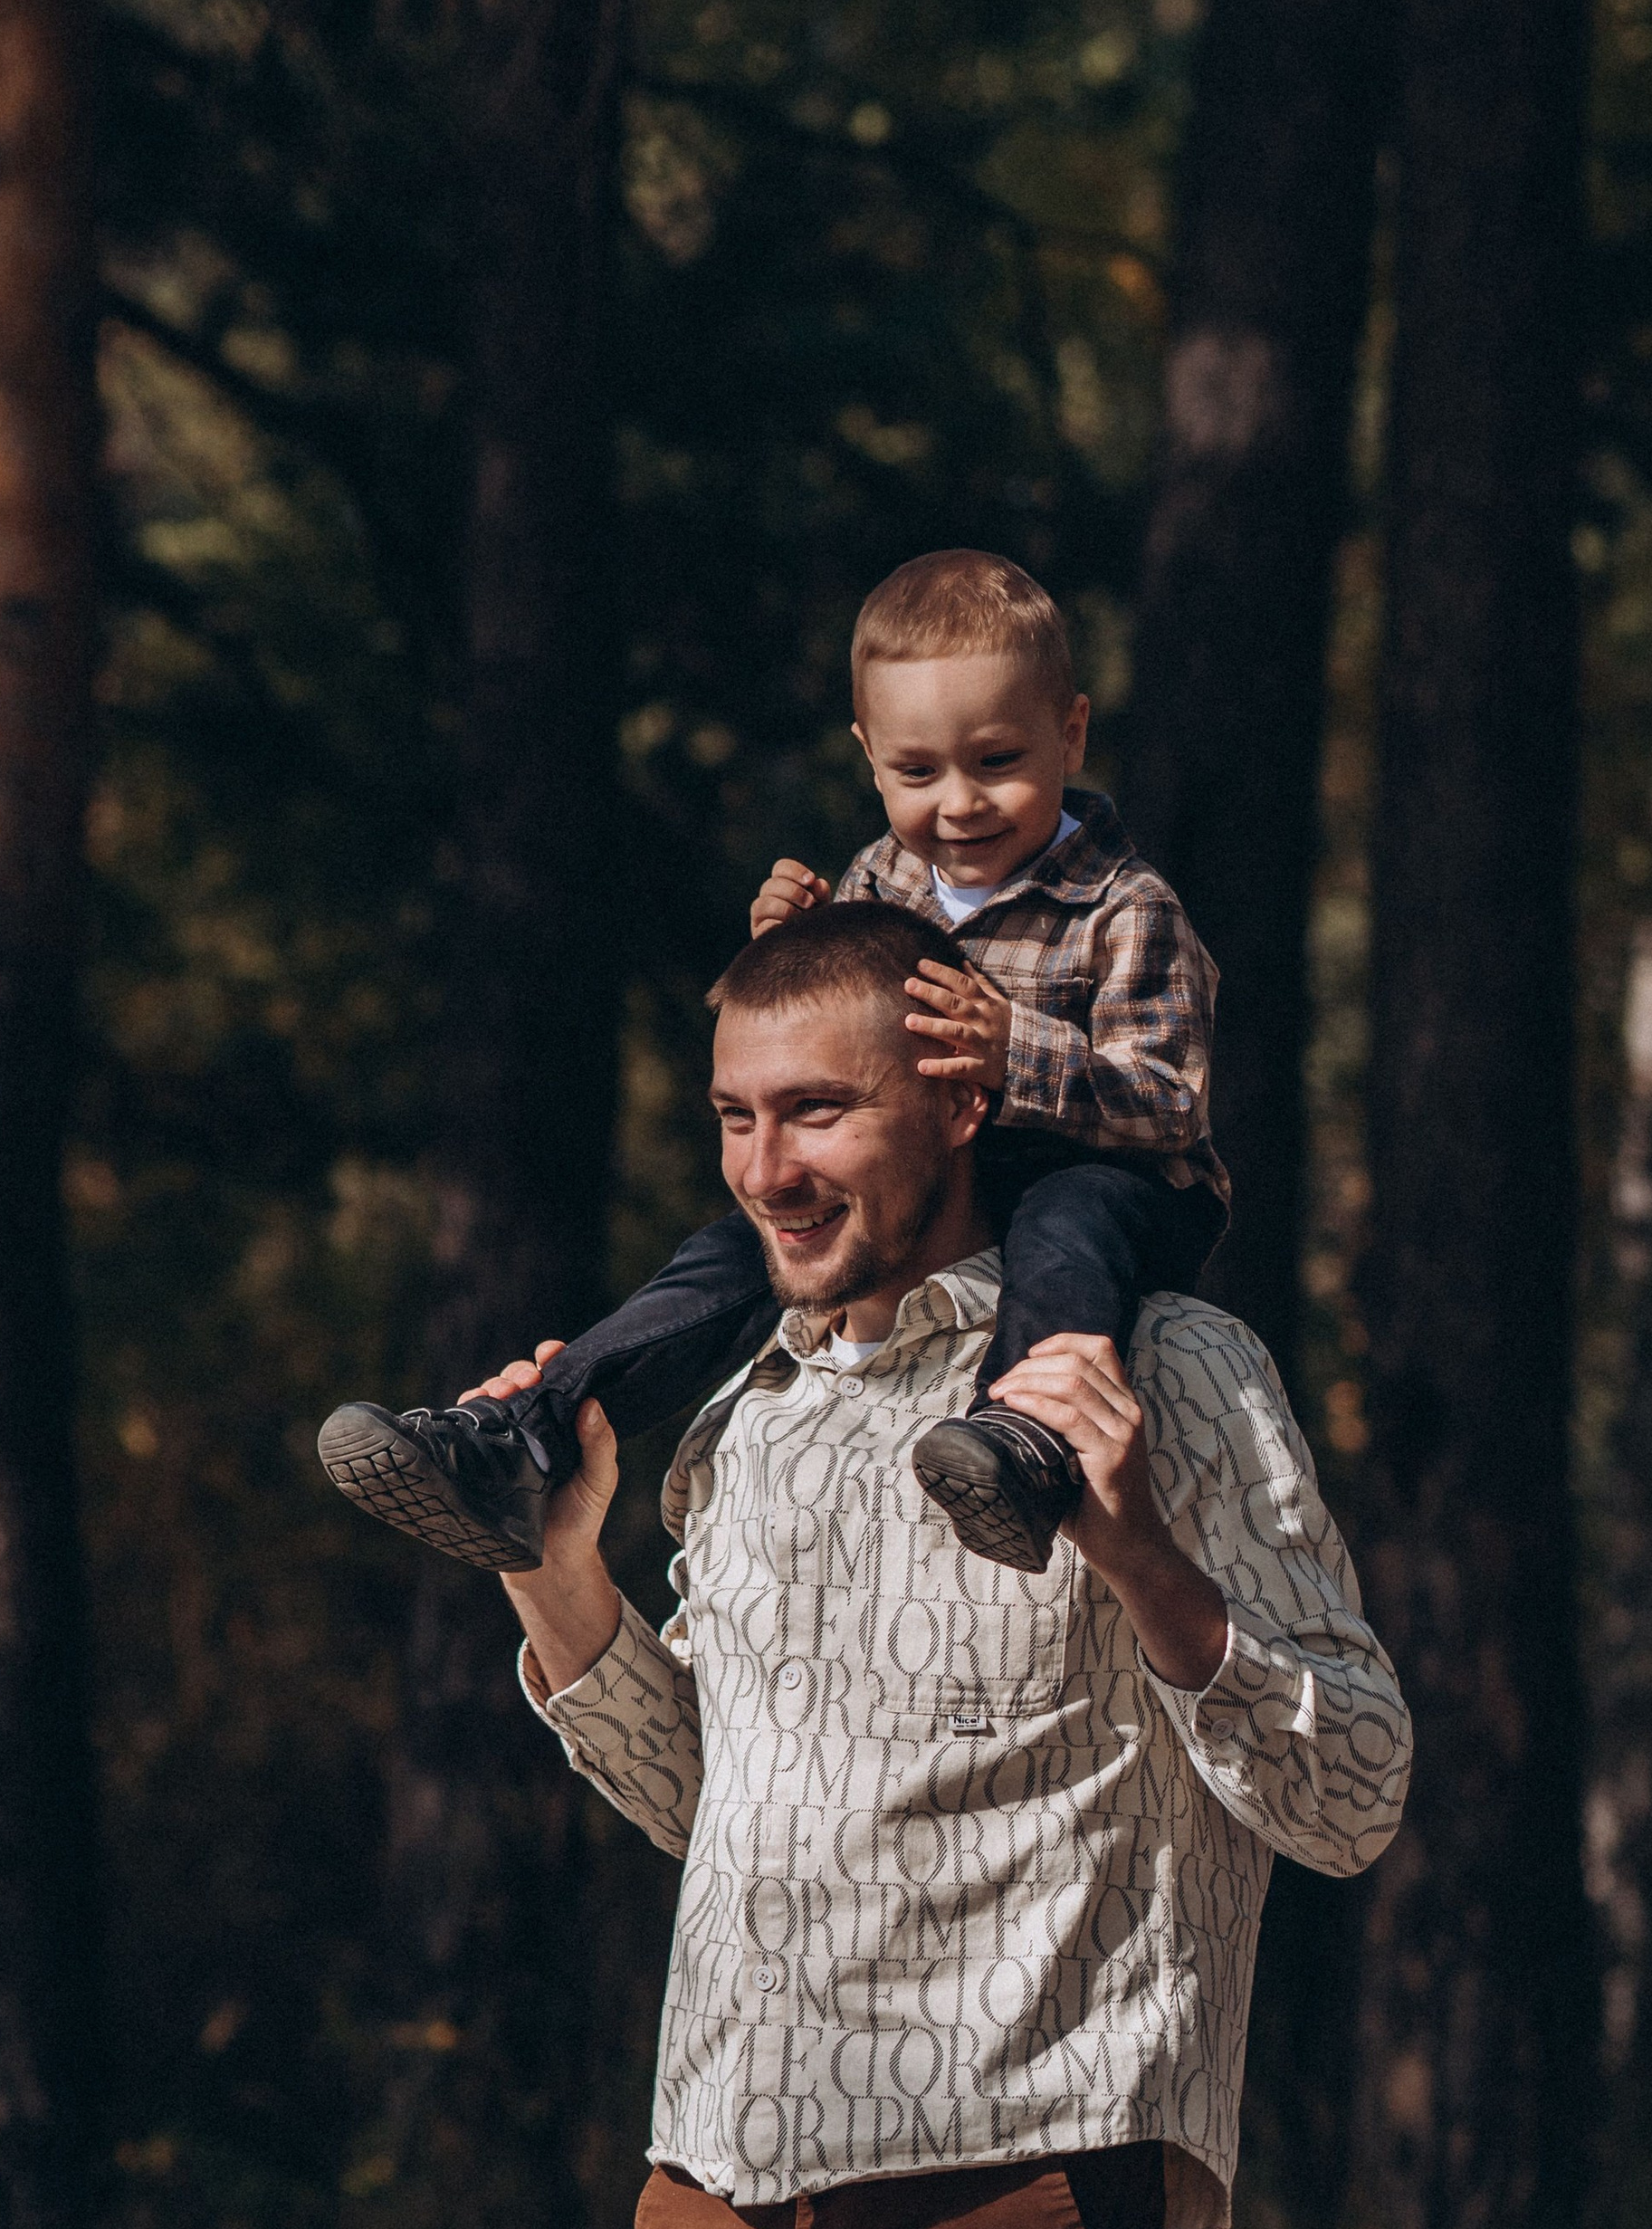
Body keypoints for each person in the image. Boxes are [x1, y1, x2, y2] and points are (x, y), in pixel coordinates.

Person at [485, 899, 1409, 2229]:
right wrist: (555, 1579)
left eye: (816, 1111)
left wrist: (1130, 1540)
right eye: (734, 1117)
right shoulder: (744, 1406)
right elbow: (707, 1798)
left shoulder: (1164, 1372)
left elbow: (1352, 1786)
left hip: (1019, 2169)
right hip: (723, 2184)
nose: (766, 1165)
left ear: (958, 1096)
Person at [317, 549, 1226, 1580]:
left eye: (998, 761)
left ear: (1071, 731)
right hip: (937, 1176)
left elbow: (1172, 1105)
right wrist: (789, 953)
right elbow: (831, 1036)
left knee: (1071, 1221)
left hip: (1114, 1182)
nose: (960, 803)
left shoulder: (1126, 908)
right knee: (741, 1249)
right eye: (917, 772)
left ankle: (1025, 1447)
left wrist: (1018, 1051)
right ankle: (526, 1437)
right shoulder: (879, 877)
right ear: (869, 756)